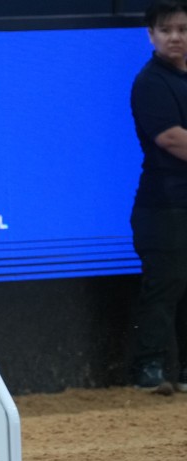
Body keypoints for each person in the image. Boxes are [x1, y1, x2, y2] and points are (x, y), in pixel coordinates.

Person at [129, 0, 187, 395]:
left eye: (182, 29)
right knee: (166, 286)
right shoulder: (150, 82)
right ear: (151, 35)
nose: (176, 37)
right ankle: (149, 369)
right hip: (164, 206)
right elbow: (171, 139)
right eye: (166, 30)